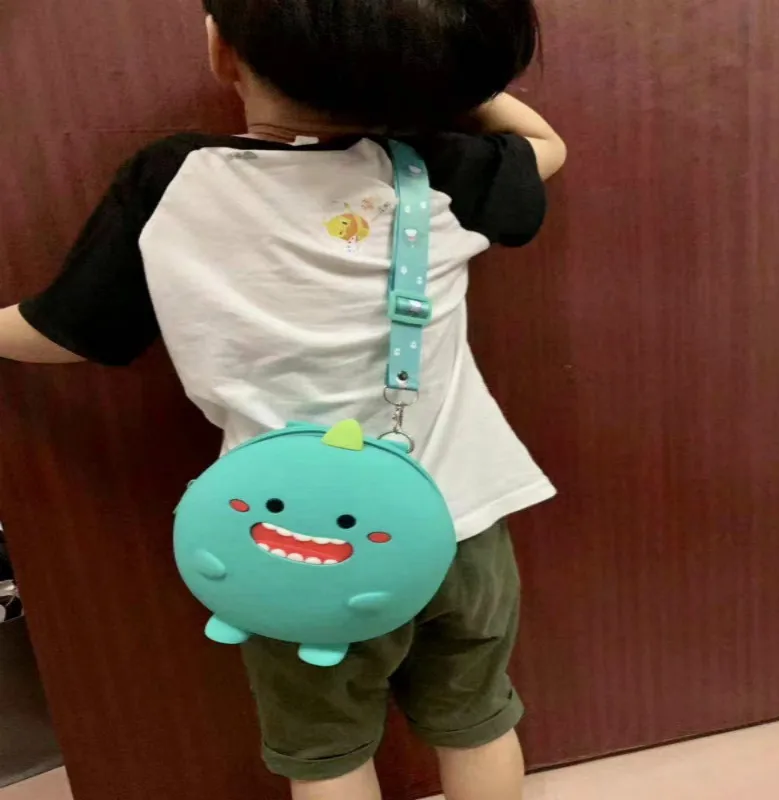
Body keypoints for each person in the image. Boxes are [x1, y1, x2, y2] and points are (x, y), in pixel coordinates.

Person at [0, 0, 566, 798]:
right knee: (476, 720)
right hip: (459, 523)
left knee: (326, 752)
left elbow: (65, 331)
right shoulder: (441, 170)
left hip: (291, 543)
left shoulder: (171, 181)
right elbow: (547, 146)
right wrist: (435, 81)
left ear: (223, 52)